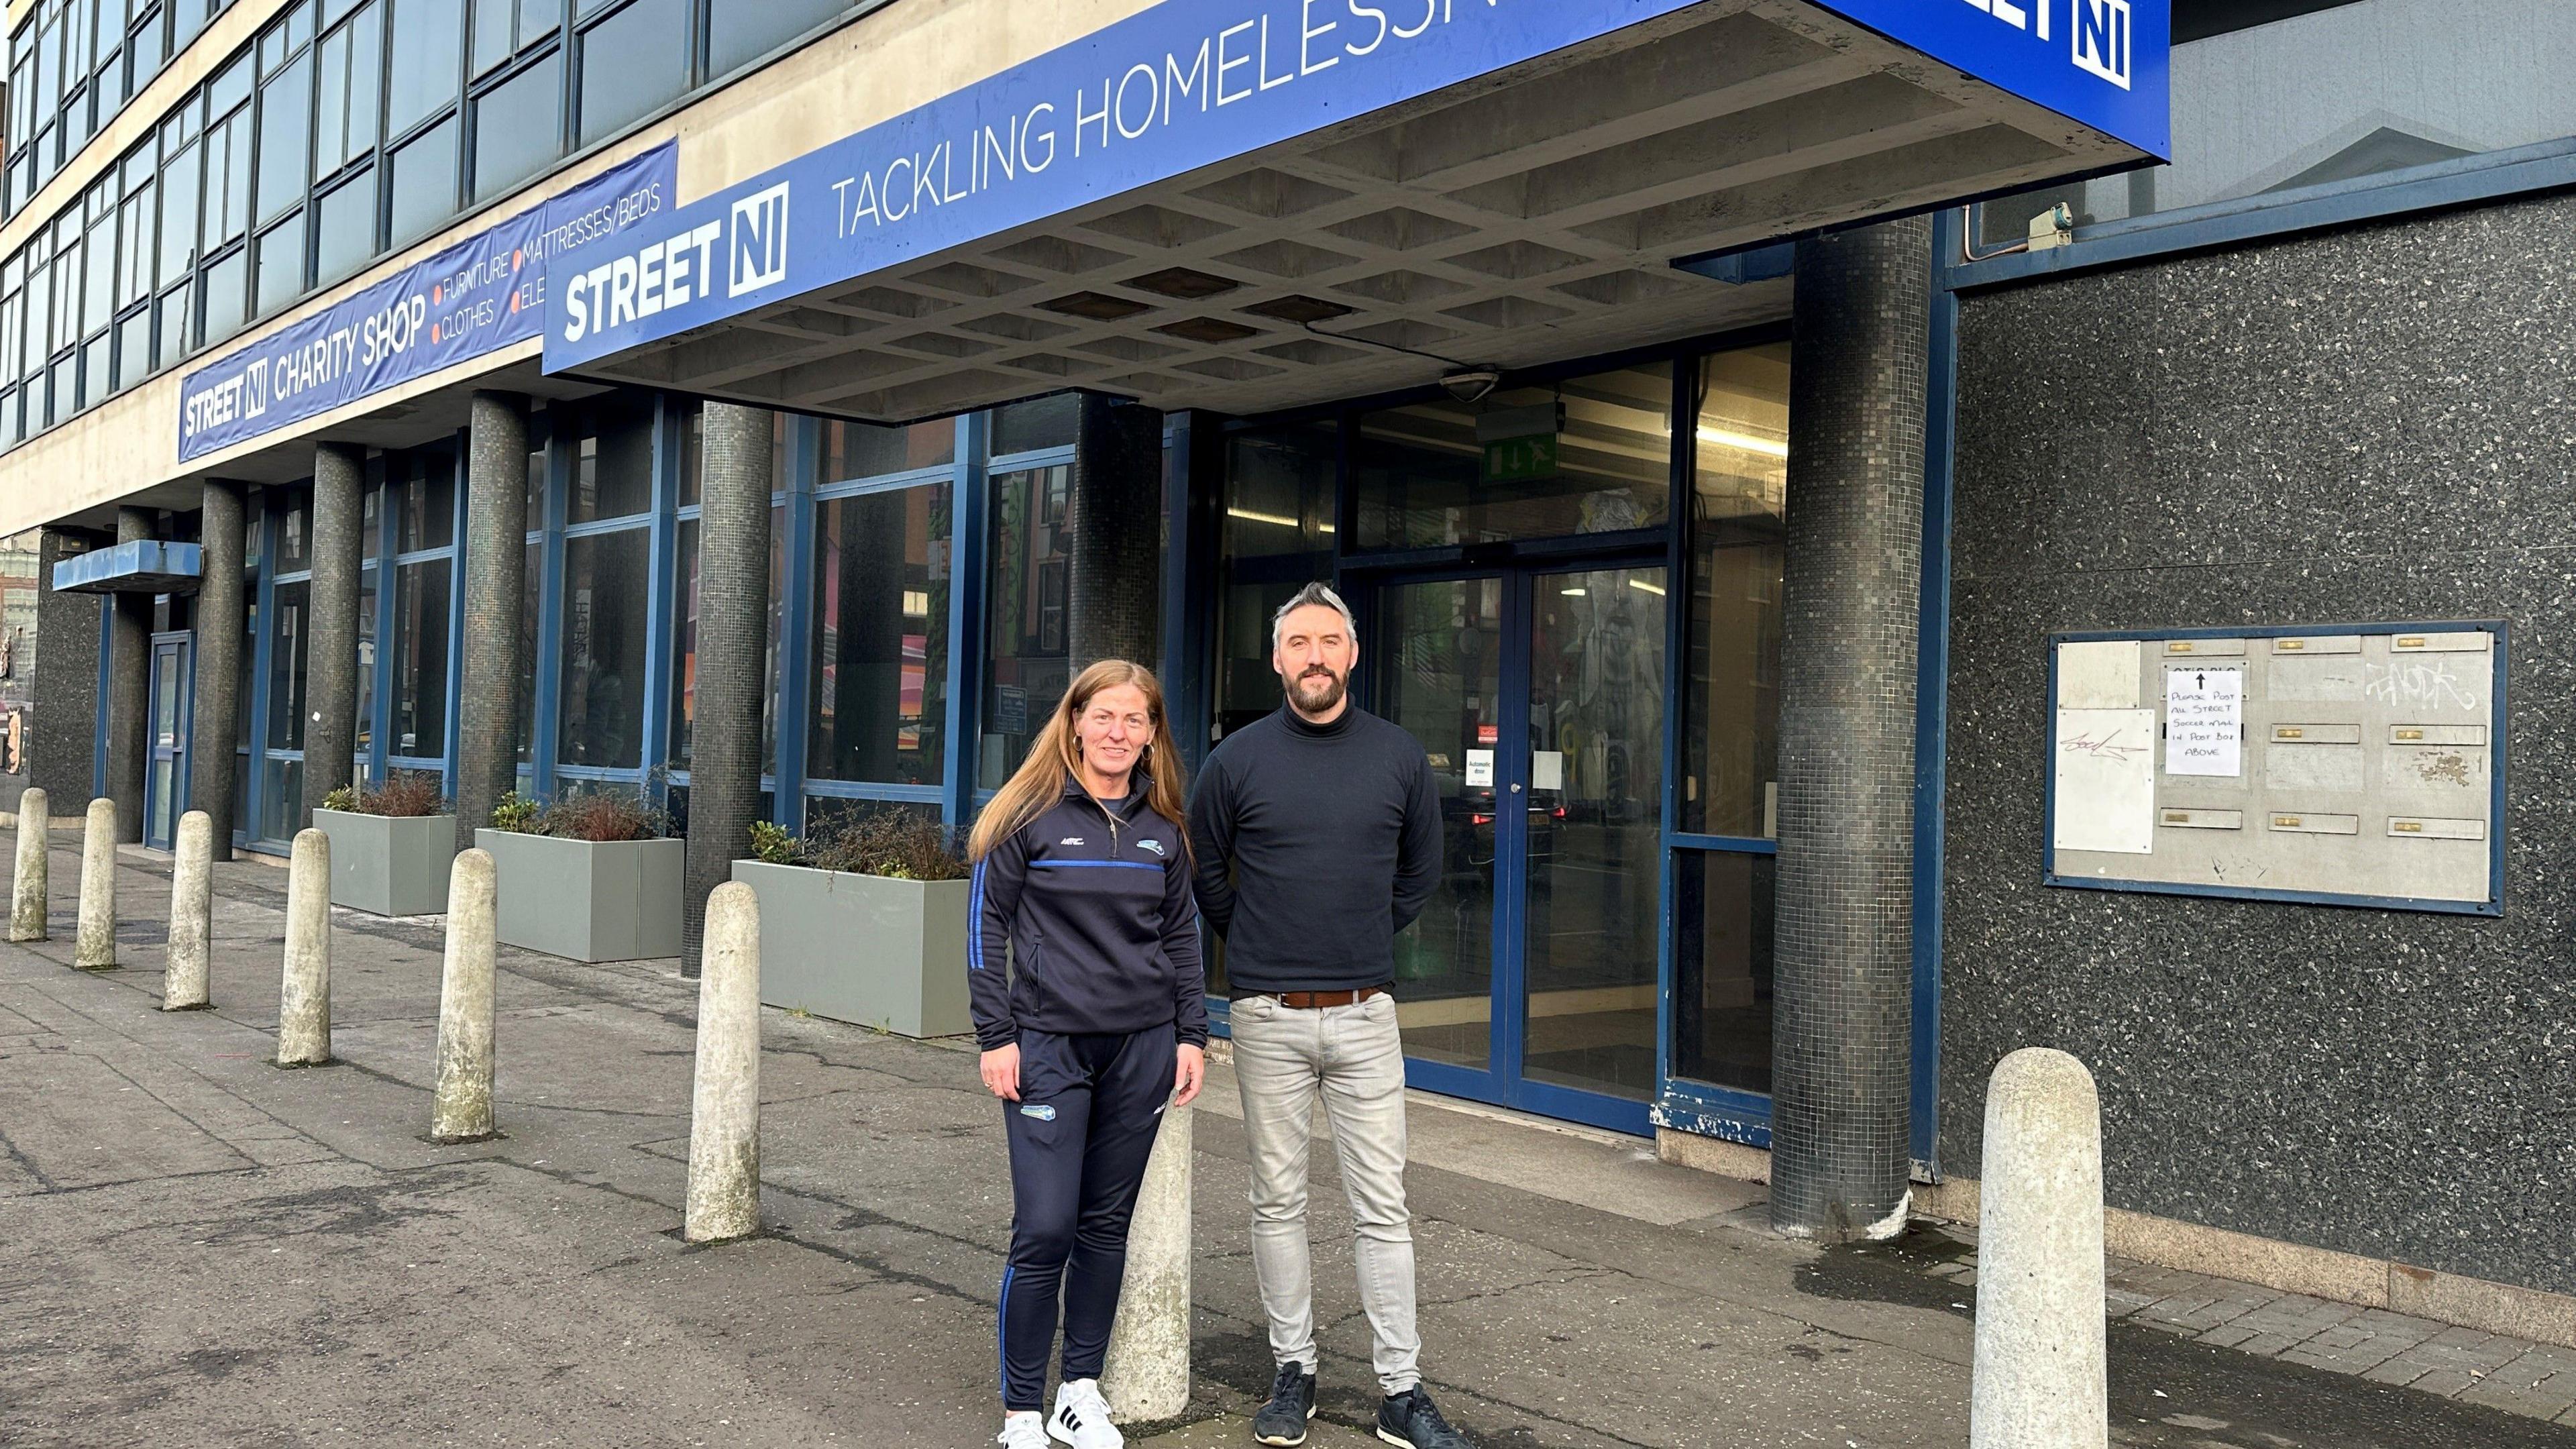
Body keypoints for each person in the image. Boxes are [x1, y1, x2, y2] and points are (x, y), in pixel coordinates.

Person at [1188, 582, 1473, 1449]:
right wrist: (1263, 941)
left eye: (1329, 641)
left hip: (1364, 1018)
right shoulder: (1235, 761)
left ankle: (1400, 1392)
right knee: (1276, 1201)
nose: (1315, 656)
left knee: (1381, 1205)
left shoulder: (1396, 756)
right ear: (1277, 660)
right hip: (1267, 1018)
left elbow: (1421, 872)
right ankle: (1293, 1371)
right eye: (1298, 643)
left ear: (1352, 655)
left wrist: (1355, 940)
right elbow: (1202, 870)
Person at [969, 659, 1209, 1449]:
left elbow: (1181, 937)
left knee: (1106, 1227)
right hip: (1047, 1049)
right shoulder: (1026, 817)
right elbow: (985, 931)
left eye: (1135, 720)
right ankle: (1020, 1412)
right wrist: (996, 1036)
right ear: (1074, 720)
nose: (1118, 732)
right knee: (1044, 1228)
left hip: (1141, 1049)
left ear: (1151, 734)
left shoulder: (1164, 829)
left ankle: (1078, 1391)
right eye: (1104, 716)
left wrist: (1191, 1035)